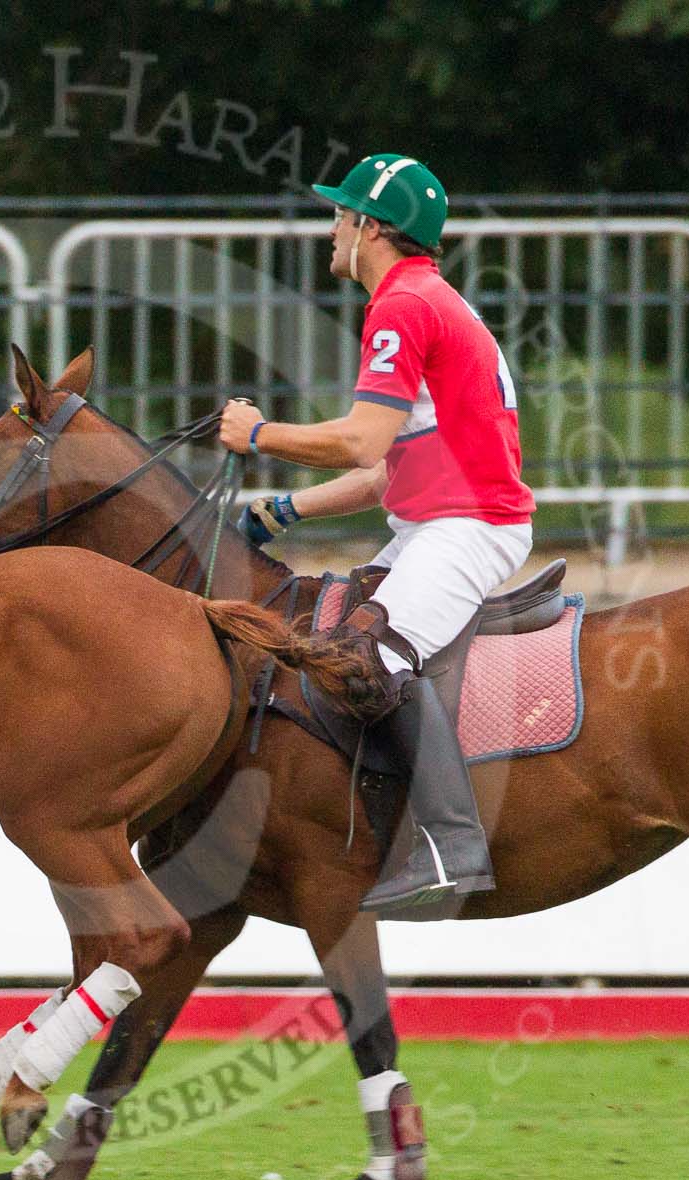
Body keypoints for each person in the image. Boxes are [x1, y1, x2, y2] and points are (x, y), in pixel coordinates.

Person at [219, 153, 535, 916]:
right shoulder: (425, 299)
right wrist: (280, 513)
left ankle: (453, 843)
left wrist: (259, 433)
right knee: (328, 638)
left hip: (470, 526)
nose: (331, 227)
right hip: (437, 522)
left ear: (370, 228)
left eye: (341, 214)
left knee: (371, 652)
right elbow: (380, 472)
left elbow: (361, 441)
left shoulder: (401, 306)